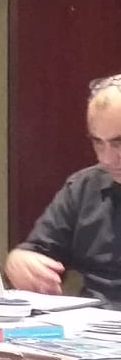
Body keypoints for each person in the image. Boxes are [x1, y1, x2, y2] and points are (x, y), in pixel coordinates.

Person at [7, 74, 121, 305]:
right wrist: (19, 261)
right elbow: (37, 251)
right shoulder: (84, 188)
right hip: (93, 321)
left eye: (119, 143)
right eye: (98, 142)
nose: (107, 159)